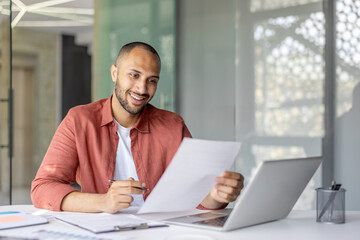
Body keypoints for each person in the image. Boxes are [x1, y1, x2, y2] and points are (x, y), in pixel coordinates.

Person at [31, 42, 244, 213]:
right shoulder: (80, 120)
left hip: (162, 232)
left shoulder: (173, 126)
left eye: (152, 80)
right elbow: (43, 188)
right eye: (134, 75)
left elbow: (195, 198)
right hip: (103, 231)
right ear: (115, 73)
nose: (142, 88)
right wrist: (103, 202)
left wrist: (216, 196)